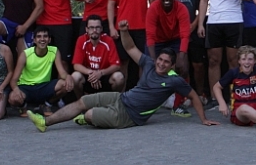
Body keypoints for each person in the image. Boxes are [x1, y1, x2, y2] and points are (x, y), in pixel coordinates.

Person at [25, 19, 219, 131]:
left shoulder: (174, 80)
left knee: (89, 114)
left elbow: (194, 96)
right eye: (160, 60)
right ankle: (45, 122)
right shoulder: (149, 63)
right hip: (120, 98)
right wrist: (124, 31)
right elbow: (130, 47)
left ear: (172, 65)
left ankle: (89, 118)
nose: (161, 64)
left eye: (166, 62)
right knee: (82, 102)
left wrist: (203, 119)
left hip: (129, 116)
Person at [197, 0, 252, 100]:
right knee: (214, 60)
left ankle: (235, 96)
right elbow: (204, 0)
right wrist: (201, 24)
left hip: (233, 20)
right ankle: (216, 98)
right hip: (214, 21)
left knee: (233, 60)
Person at [106, 0, 155, 87]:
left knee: (141, 61)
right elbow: (111, 4)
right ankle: (121, 94)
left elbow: (152, 2)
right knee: (123, 62)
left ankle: (140, 92)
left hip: (142, 27)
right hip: (123, 28)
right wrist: (111, 27)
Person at [146, 0, 193, 117]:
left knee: (183, 68)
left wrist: (181, 57)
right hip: (157, 40)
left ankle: (177, 105)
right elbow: (150, 35)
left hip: (175, 39)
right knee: (147, 66)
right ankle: (148, 102)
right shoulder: (153, 8)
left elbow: (185, 35)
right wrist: (153, 59)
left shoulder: (182, 8)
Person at [8, 27, 74, 115]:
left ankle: (47, 105)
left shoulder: (54, 51)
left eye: (45, 36)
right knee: (12, 98)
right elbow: (13, 80)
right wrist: (16, 90)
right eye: (39, 36)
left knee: (65, 84)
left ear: (49, 40)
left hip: (44, 86)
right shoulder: (25, 54)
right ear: (34, 40)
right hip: (26, 87)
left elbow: (62, 72)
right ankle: (24, 107)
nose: (42, 39)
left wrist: (68, 76)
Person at [172, 0, 208, 103]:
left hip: (193, 32)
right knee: (181, 66)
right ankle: (183, 96)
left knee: (198, 65)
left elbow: (201, 10)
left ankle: (200, 94)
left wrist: (194, 25)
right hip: (177, 35)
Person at [71, 14, 125, 97]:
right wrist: (92, 74)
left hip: (104, 76)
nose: (94, 30)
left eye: (97, 27)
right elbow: (76, 65)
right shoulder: (81, 40)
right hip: (88, 76)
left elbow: (116, 65)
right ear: (86, 29)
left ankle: (113, 101)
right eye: (91, 28)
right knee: (75, 76)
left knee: (119, 77)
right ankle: (81, 101)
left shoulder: (108, 40)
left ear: (102, 29)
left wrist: (100, 73)